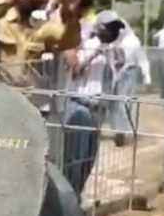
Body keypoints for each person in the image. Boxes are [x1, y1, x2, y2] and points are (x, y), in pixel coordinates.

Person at [58, 16, 125, 195]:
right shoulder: (87, 44)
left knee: (89, 158)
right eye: (107, 27)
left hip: (98, 108)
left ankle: (78, 194)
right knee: (75, 157)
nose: (111, 32)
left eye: (114, 29)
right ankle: (70, 196)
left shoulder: (113, 50)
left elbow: (114, 76)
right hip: (81, 105)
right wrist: (95, 52)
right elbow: (76, 69)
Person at [109, 15, 152, 146]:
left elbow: (142, 59)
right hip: (116, 73)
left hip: (129, 73)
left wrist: (147, 75)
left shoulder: (134, 42)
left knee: (125, 103)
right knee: (115, 104)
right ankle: (118, 130)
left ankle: (124, 130)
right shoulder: (114, 42)